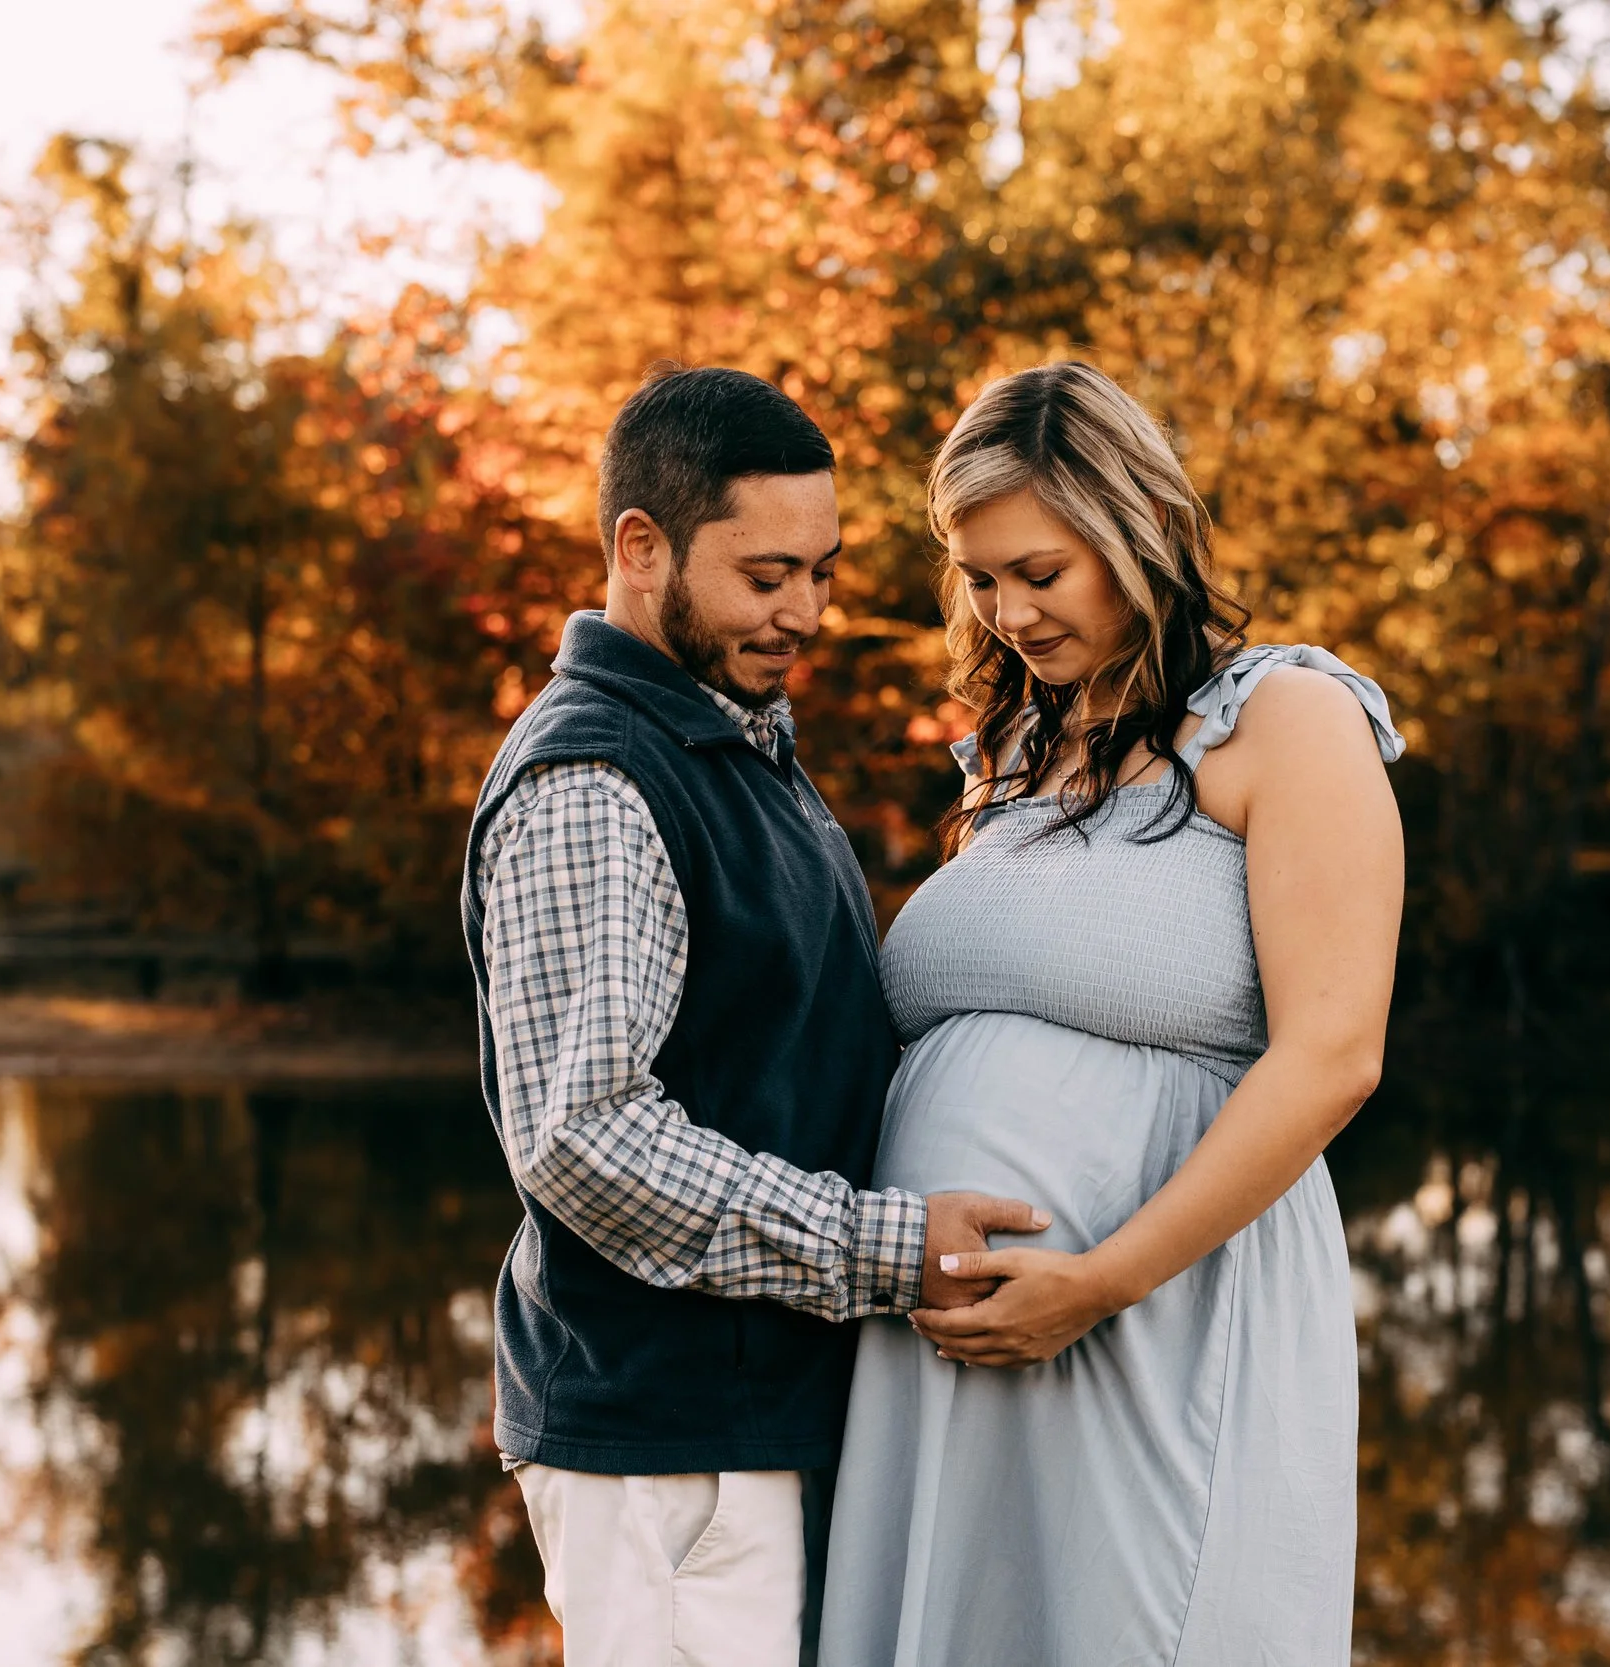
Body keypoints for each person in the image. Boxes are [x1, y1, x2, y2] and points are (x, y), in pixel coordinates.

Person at [819, 361, 1407, 1665]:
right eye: (979, 579)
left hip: (1160, 1317)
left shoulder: (1288, 722)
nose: (1008, 611)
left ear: (1136, 533)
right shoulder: (1014, 755)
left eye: (1041, 570)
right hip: (956, 1349)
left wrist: (1099, 1281)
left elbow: (1334, 1056)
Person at [459, 364, 1045, 1666]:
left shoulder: (735, 742)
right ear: (640, 546)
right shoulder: (597, 783)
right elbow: (586, 1140)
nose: (808, 611)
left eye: (823, 572)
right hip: (671, 1453)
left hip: (758, 1428)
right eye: (768, 573)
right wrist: (891, 1251)